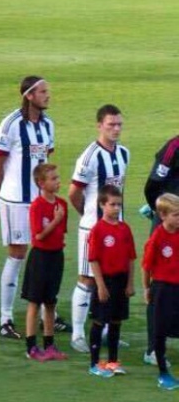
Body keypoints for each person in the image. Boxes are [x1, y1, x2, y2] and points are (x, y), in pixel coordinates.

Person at [0, 76, 56, 339]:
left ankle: (45, 314)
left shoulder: (48, 125)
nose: (47, 95)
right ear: (29, 95)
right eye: (42, 92)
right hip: (15, 200)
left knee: (43, 255)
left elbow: (44, 162)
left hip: (40, 202)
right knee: (17, 255)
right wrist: (6, 193)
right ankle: (5, 318)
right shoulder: (11, 124)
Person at [68, 104, 130, 353]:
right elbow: (74, 193)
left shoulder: (124, 153)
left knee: (113, 279)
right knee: (87, 279)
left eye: (119, 124)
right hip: (93, 229)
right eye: (111, 124)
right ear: (99, 125)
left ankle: (106, 330)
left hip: (117, 230)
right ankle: (77, 333)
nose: (116, 129)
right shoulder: (89, 156)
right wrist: (90, 217)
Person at [86, 185, 135, 377]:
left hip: (121, 280)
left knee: (116, 321)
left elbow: (131, 257)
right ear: (102, 205)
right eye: (112, 204)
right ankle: (94, 363)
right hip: (105, 281)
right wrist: (100, 285)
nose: (116, 208)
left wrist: (130, 283)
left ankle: (113, 361)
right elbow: (94, 259)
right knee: (99, 321)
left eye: (119, 205)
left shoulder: (124, 229)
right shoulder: (98, 230)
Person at [21, 164, 68, 361]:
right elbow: (38, 236)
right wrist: (56, 220)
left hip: (56, 257)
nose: (58, 181)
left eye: (57, 178)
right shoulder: (37, 206)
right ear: (41, 183)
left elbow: (62, 233)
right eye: (53, 179)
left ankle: (49, 345)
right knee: (34, 303)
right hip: (40, 257)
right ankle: (31, 346)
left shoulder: (62, 204)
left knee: (50, 303)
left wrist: (58, 223)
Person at [142, 135, 179, 365]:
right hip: (168, 223)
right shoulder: (174, 146)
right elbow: (154, 183)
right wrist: (162, 213)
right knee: (161, 285)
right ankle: (153, 348)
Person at [142, 193, 179, 390]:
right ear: (163, 215)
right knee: (160, 329)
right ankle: (163, 373)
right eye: (176, 215)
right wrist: (147, 288)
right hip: (162, 288)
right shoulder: (157, 237)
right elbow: (146, 266)